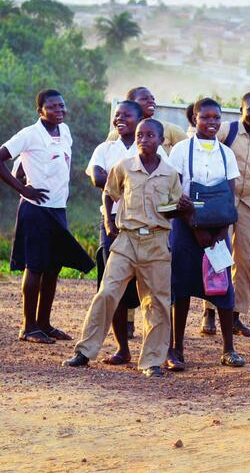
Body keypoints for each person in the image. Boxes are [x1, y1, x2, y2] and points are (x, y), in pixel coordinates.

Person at [64, 118, 183, 377]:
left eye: (150, 135)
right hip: (126, 240)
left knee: (157, 303)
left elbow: (173, 208)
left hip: (156, 243)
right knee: (107, 293)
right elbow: (108, 193)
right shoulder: (125, 167)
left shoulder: (171, 174)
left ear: (161, 141)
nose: (143, 140)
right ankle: (84, 351)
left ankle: (152, 361)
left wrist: (184, 209)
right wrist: (109, 221)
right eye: (140, 135)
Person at [1, 89, 95, 345]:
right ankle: (28, 327)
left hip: (57, 209)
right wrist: (23, 189)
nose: (59, 111)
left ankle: (44, 323)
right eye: (52, 107)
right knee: (36, 266)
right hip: (35, 209)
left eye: (62, 106)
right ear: (40, 110)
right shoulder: (29, 134)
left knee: (54, 266)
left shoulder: (65, 132)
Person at [165, 98, 246, 371]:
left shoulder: (226, 154)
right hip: (186, 230)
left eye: (216, 118)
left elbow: (229, 197)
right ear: (194, 119)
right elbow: (175, 192)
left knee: (223, 287)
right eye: (205, 117)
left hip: (219, 231)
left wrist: (220, 232)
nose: (211, 123)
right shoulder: (180, 151)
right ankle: (176, 349)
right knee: (182, 288)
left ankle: (228, 350)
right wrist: (195, 227)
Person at [202, 92, 250, 338]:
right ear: (241, 109)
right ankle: (210, 312)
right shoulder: (226, 131)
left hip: (248, 202)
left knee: (244, 260)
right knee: (218, 255)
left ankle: (235, 317)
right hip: (223, 199)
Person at [85, 99, 148, 363]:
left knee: (150, 287)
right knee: (112, 287)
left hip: (144, 223)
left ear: (140, 119)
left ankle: (158, 350)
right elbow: (97, 178)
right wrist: (131, 181)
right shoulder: (105, 147)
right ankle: (122, 347)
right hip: (111, 223)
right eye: (117, 115)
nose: (120, 119)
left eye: (127, 115)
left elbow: (163, 179)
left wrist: (116, 180)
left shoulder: (149, 145)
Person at [107, 87, 187, 153]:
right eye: (144, 99)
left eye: (153, 99)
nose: (151, 101)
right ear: (131, 104)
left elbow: (188, 151)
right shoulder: (116, 134)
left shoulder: (169, 129)